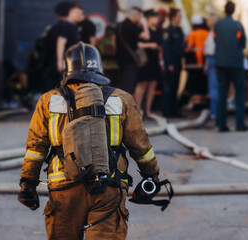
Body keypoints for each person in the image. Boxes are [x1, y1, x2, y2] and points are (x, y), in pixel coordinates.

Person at [18, 42, 161, 240]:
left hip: (63, 187)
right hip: (109, 188)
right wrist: (151, 176)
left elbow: (36, 147)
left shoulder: (48, 100)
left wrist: (28, 183)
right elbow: (140, 146)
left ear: (67, 70)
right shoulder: (122, 99)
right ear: (99, 68)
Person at [214, 1, 248, 132]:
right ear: (234, 11)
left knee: (222, 93)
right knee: (240, 93)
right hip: (235, 63)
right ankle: (240, 124)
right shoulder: (238, 25)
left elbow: (216, 40)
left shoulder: (218, 25)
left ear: (224, 10)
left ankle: (221, 124)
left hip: (221, 63)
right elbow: (243, 43)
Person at [133, 9, 164, 118]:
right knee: (142, 84)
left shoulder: (159, 29)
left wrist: (162, 61)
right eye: (154, 18)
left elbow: (160, 46)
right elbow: (138, 44)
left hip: (155, 59)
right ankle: (137, 108)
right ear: (148, 19)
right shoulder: (142, 28)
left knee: (152, 84)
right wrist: (150, 45)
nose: (156, 20)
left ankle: (148, 110)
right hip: (144, 59)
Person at [115, 7, 152, 94]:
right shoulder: (132, 26)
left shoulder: (119, 25)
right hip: (131, 60)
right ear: (136, 16)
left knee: (122, 84)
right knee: (128, 86)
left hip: (120, 59)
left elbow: (114, 42)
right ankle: (125, 106)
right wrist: (145, 24)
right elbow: (147, 37)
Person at [161, 7, 184, 117]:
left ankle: (175, 110)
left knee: (175, 87)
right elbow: (166, 49)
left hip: (178, 61)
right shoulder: (168, 31)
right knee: (169, 87)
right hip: (171, 62)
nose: (180, 18)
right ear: (173, 17)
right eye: (179, 16)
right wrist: (169, 63)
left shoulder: (179, 30)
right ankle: (167, 111)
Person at [183, 15, 209, 109]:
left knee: (194, 85)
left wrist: (184, 49)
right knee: (203, 84)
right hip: (205, 64)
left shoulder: (192, 34)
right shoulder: (207, 33)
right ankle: (204, 104)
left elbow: (189, 48)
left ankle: (197, 104)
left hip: (194, 65)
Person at [56, 3, 84, 72]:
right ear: (70, 12)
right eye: (77, 13)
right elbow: (60, 43)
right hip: (66, 63)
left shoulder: (73, 26)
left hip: (72, 62)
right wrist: (60, 62)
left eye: (81, 13)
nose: (79, 16)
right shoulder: (66, 25)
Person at [204, 13, 220, 118]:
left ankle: (215, 112)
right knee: (213, 87)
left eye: (208, 20)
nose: (206, 22)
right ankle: (214, 111)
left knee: (214, 87)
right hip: (210, 60)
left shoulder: (216, 33)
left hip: (214, 59)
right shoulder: (211, 32)